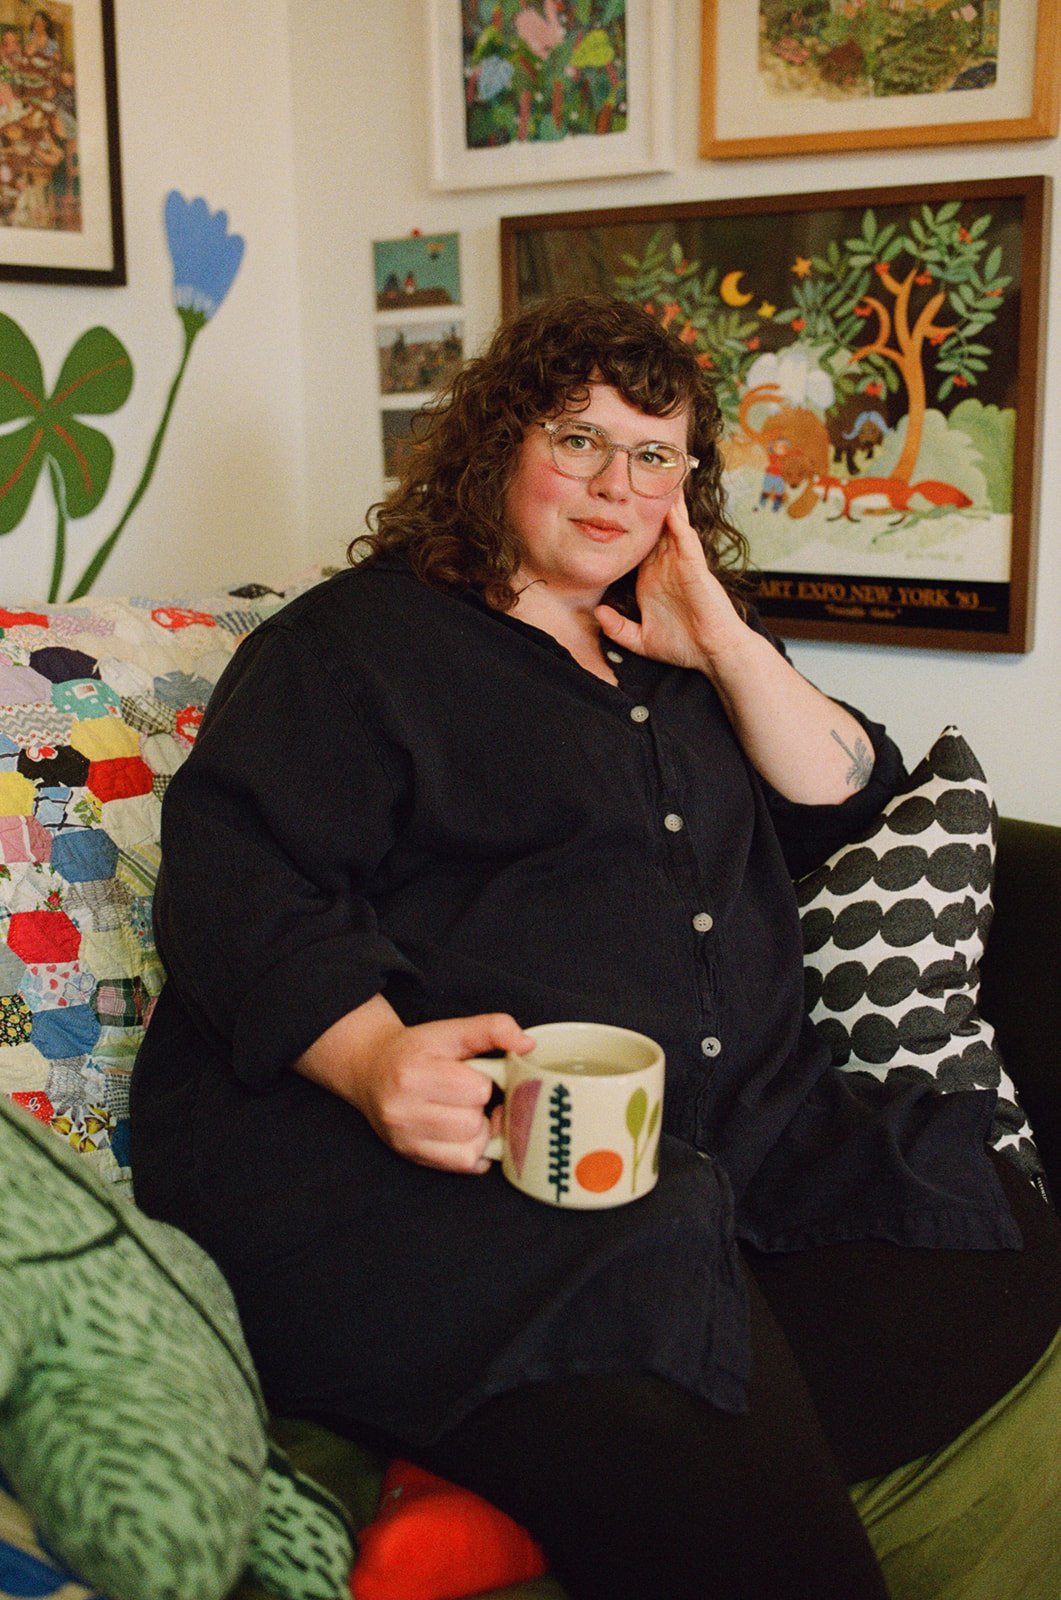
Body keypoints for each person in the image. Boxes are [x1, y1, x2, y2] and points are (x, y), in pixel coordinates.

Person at [130, 294, 1061, 1600]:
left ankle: (515, 1482)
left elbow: (848, 797)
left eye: (654, 454)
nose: (618, 485)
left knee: (976, 1214)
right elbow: (237, 883)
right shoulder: (351, 651)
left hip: (739, 1129)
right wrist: (374, 1060)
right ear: (498, 443)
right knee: (648, 1270)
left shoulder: (688, 639)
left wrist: (719, 642)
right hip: (463, 1150)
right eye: (579, 440)